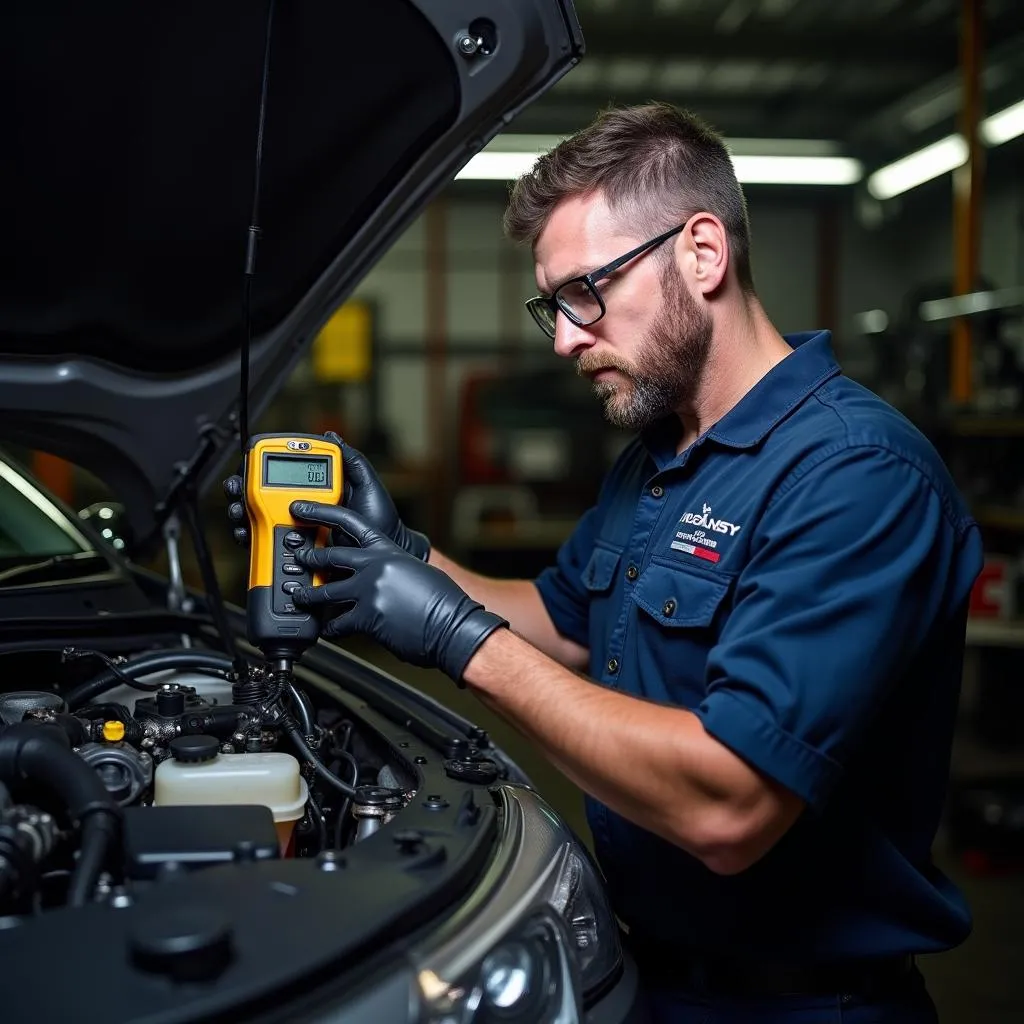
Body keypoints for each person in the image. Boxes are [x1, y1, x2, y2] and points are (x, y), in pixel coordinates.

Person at [226, 103, 983, 1022]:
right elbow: (565, 620)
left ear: (702, 254)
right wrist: (398, 556)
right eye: (552, 303)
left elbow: (730, 804)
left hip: (800, 1006)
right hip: (645, 978)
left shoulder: (856, 477)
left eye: (587, 291)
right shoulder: (658, 455)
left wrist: (457, 639)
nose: (563, 338)